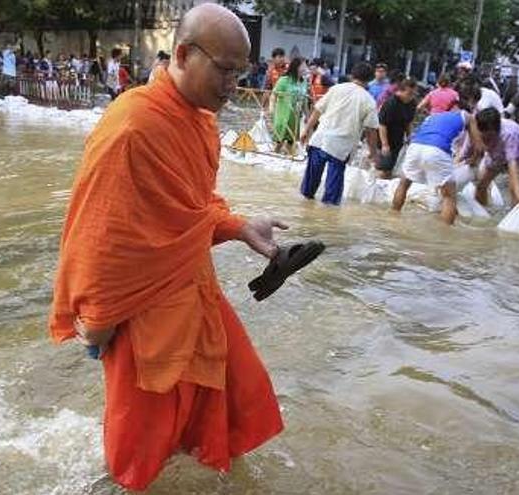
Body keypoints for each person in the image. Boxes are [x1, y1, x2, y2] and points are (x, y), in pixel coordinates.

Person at [50, 4, 285, 491]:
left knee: (237, 399)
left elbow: (191, 207)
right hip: (141, 314)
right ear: (182, 53)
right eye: (224, 70)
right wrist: (98, 323)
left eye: (241, 73)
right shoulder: (132, 127)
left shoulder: (196, 119)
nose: (232, 85)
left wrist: (240, 227)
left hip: (194, 292)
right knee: (139, 451)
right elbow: (101, 237)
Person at [300, 62, 380, 205]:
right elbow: (371, 130)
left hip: (320, 139)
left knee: (308, 189)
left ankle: (305, 209)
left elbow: (318, 110)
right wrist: (373, 152)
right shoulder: (368, 100)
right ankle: (328, 219)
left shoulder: (336, 89)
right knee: (332, 195)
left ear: (352, 75)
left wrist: (306, 130)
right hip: (340, 147)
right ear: (369, 79)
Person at [391, 106, 481, 215]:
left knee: (403, 184)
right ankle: (445, 230)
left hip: (415, 146)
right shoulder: (468, 116)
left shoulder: (433, 117)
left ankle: (393, 215)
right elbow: (478, 147)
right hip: (437, 150)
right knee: (449, 196)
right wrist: (474, 160)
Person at [452, 108, 519, 223]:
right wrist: (451, 171)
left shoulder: (508, 133)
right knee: (481, 185)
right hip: (496, 154)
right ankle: (483, 214)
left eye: (489, 137)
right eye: (483, 137)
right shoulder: (475, 131)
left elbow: (512, 162)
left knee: (513, 188)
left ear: (497, 130)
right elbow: (463, 153)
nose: (485, 140)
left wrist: (518, 191)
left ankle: (513, 219)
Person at [377, 78, 418, 179]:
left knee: (391, 167)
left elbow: (409, 122)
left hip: (398, 139)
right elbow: (382, 125)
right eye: (409, 94)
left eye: (413, 94)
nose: (411, 97)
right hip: (385, 138)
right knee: (384, 167)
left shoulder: (411, 104)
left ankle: (385, 185)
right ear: (400, 91)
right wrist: (385, 145)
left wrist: (409, 136)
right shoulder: (391, 103)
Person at [271, 57, 309, 155]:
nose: (305, 68)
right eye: (303, 65)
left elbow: (304, 100)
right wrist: (271, 109)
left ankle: (289, 160)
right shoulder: (284, 80)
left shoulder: (304, 82)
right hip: (283, 115)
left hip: (295, 116)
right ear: (296, 67)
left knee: (292, 141)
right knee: (280, 141)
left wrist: (307, 115)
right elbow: (274, 95)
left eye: (305, 65)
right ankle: (274, 157)